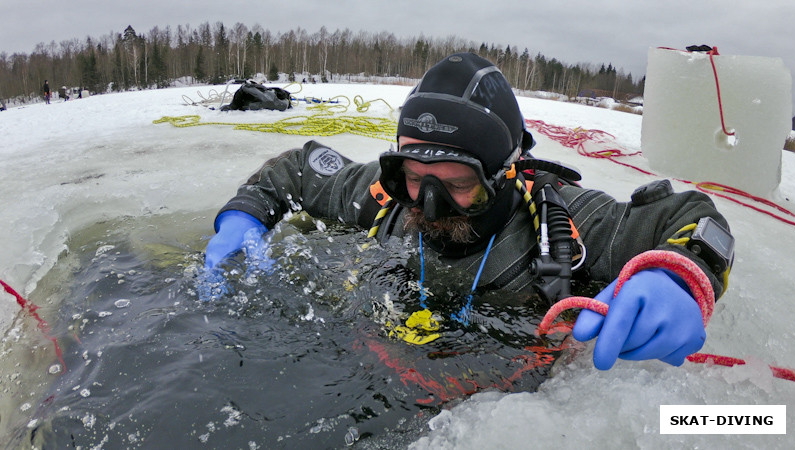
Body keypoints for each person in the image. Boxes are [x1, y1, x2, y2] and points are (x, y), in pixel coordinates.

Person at [203, 53, 734, 371]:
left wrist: (679, 276)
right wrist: (244, 218)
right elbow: (297, 169)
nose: (428, 203)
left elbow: (692, 217)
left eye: (458, 184)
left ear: (507, 170)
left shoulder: (563, 223)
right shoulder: (386, 195)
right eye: (415, 177)